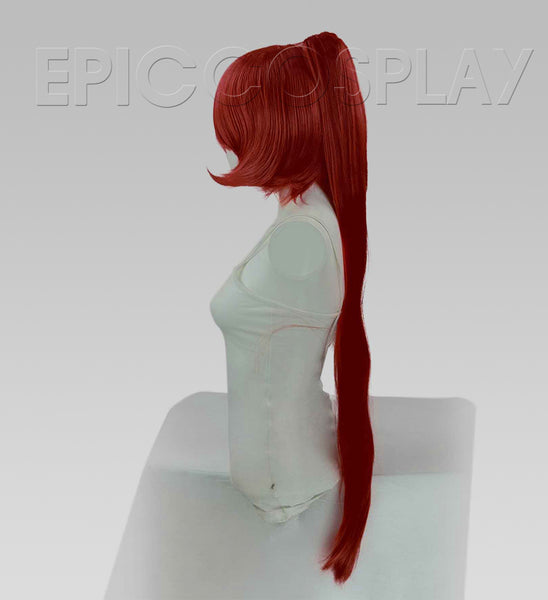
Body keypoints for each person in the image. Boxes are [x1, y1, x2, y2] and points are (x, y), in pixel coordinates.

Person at [208, 31, 373, 584]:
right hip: (286, 466)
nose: (227, 142)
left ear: (277, 130)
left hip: (283, 484)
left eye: (237, 126)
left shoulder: (300, 239)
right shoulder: (307, 220)